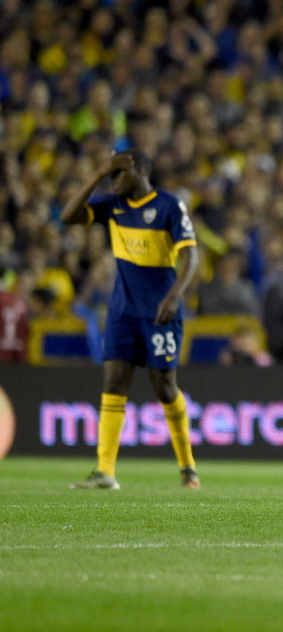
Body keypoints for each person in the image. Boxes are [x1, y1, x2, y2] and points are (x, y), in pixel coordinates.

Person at [60, 150, 200, 490]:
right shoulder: (113, 205)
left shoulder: (168, 205)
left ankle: (188, 467)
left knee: (165, 388)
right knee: (114, 382)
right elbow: (68, 216)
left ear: (138, 170)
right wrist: (97, 173)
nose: (113, 180)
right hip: (122, 311)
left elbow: (191, 254)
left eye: (118, 172)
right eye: (109, 175)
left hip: (160, 311)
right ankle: (105, 471)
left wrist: (174, 296)